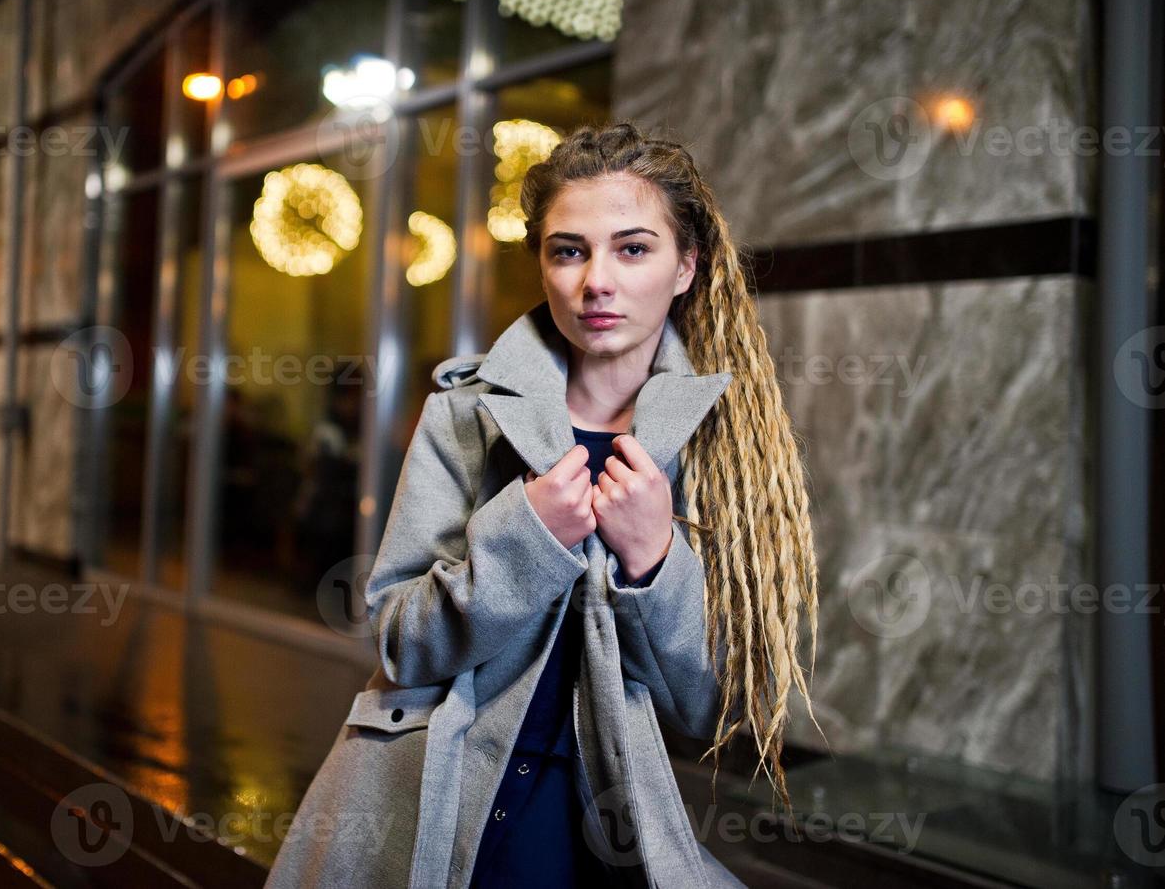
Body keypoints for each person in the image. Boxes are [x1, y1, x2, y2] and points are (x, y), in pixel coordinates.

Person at [266, 121, 822, 888]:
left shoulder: (721, 446)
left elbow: (717, 709)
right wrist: (524, 537)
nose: (597, 280)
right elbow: (400, 644)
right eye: (568, 250)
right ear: (542, 266)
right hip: (437, 794)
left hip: (596, 825)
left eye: (633, 249)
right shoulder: (464, 416)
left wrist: (654, 560)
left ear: (686, 266)